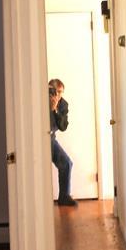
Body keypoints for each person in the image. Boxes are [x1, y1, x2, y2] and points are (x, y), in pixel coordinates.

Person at [49, 78, 77, 207]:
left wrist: (54, 110)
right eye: (55, 91)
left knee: (66, 163)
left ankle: (64, 197)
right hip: (38, 138)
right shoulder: (39, 99)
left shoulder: (63, 105)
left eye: (61, 92)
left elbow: (63, 126)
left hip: (50, 138)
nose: (58, 95)